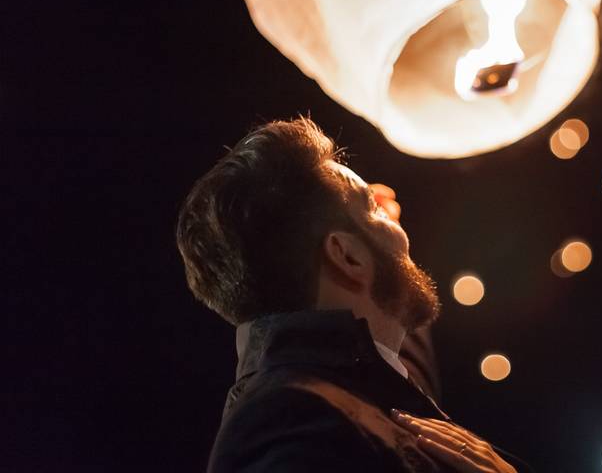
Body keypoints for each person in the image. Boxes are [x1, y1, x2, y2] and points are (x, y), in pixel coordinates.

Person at [177, 117, 527, 472]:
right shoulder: (290, 422)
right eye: (372, 207)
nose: (401, 231)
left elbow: (387, 350)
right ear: (347, 256)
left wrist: (373, 231)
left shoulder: (344, 392)